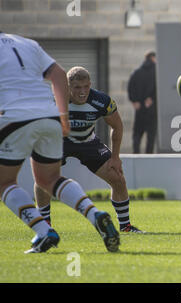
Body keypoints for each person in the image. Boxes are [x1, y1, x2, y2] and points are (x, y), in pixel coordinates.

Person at [0, 32, 119, 253]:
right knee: (49, 179)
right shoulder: (27, 43)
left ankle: (43, 231)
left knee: (4, 182)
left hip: (12, 116)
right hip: (48, 114)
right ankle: (96, 215)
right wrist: (63, 116)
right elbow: (58, 74)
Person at [34, 66, 143, 233]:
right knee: (42, 180)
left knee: (118, 178)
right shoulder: (51, 99)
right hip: (58, 141)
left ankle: (126, 227)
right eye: (77, 87)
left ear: (90, 84)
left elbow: (117, 126)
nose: (83, 92)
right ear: (67, 86)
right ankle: (45, 225)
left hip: (87, 142)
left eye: (86, 86)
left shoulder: (101, 100)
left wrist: (115, 157)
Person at [128, 51, 157, 154]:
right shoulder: (156, 71)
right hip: (151, 108)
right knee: (151, 135)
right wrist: (152, 98)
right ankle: (148, 157)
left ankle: (136, 155)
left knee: (137, 134)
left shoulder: (137, 72)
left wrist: (134, 101)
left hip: (139, 108)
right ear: (153, 58)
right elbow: (158, 87)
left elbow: (130, 86)